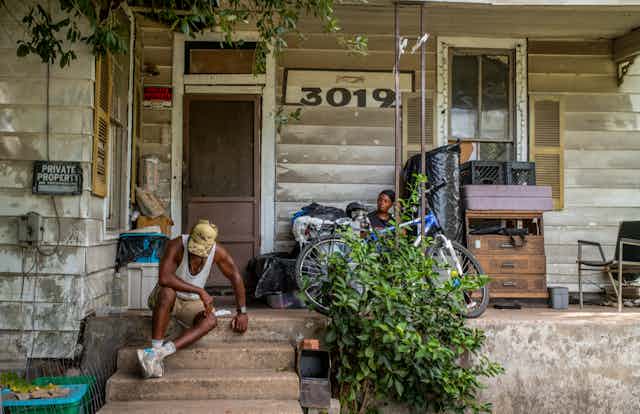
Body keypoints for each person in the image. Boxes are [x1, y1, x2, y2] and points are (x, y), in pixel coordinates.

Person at [137, 219, 248, 378]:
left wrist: (242, 312)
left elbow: (235, 276)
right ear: (190, 239)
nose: (196, 254)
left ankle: (157, 354)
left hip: (191, 302)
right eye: (193, 249)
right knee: (167, 292)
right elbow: (164, 278)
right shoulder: (176, 245)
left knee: (210, 320)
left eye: (200, 252)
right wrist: (199, 291)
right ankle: (155, 346)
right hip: (167, 299)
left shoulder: (217, 252)